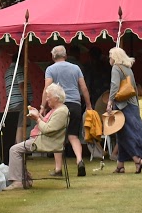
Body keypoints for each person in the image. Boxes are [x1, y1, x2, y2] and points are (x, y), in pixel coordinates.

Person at [5, 83, 70, 189]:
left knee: (14, 150)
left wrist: (37, 119)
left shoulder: (61, 112)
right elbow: (48, 124)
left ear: (56, 98)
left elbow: (48, 130)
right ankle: (25, 179)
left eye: (49, 96)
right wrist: (37, 115)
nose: (47, 99)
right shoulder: (57, 110)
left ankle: (18, 181)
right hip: (42, 139)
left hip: (45, 142)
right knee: (17, 149)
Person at [43, 45, 91, 178]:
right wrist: (88, 105)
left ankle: (58, 169)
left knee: (57, 136)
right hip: (75, 104)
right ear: (65, 55)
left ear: (53, 57)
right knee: (73, 136)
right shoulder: (76, 68)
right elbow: (84, 88)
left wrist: (43, 106)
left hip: (60, 105)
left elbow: (47, 88)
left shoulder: (50, 69)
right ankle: (79, 160)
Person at [107, 47, 142, 173]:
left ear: (115, 57)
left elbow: (114, 86)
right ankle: (120, 165)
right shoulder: (128, 68)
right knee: (122, 133)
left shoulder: (116, 68)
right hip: (132, 104)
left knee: (125, 134)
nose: (109, 57)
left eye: (110, 55)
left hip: (123, 105)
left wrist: (110, 102)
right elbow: (134, 88)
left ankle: (137, 160)